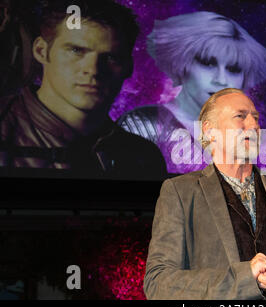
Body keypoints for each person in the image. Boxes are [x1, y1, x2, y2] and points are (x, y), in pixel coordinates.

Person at [144, 88, 266, 300]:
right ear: (210, 131)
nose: (254, 125)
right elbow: (158, 283)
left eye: (256, 118)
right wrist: (245, 278)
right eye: (240, 116)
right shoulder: (180, 192)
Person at [0, 0, 167, 180]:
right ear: (41, 50)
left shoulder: (142, 157)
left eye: (110, 57)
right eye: (76, 50)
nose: (93, 69)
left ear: (128, 66)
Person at [117, 11, 266, 174]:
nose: (221, 80)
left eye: (233, 69)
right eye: (208, 63)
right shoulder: (143, 125)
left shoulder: (246, 137)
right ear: (182, 65)